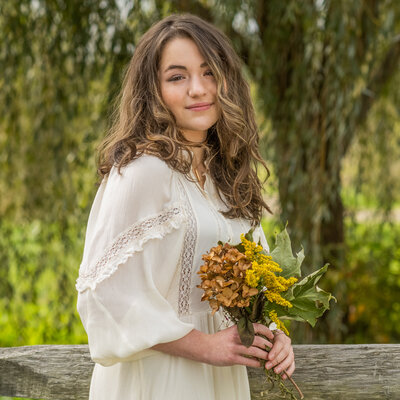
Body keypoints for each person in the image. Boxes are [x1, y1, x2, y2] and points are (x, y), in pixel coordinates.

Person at [76, 13, 295, 400]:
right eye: (177, 77)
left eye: (209, 72)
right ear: (152, 91)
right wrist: (205, 346)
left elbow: (257, 281)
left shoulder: (228, 178)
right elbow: (102, 294)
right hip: (159, 379)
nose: (198, 88)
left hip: (221, 380)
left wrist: (275, 334)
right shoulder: (142, 172)